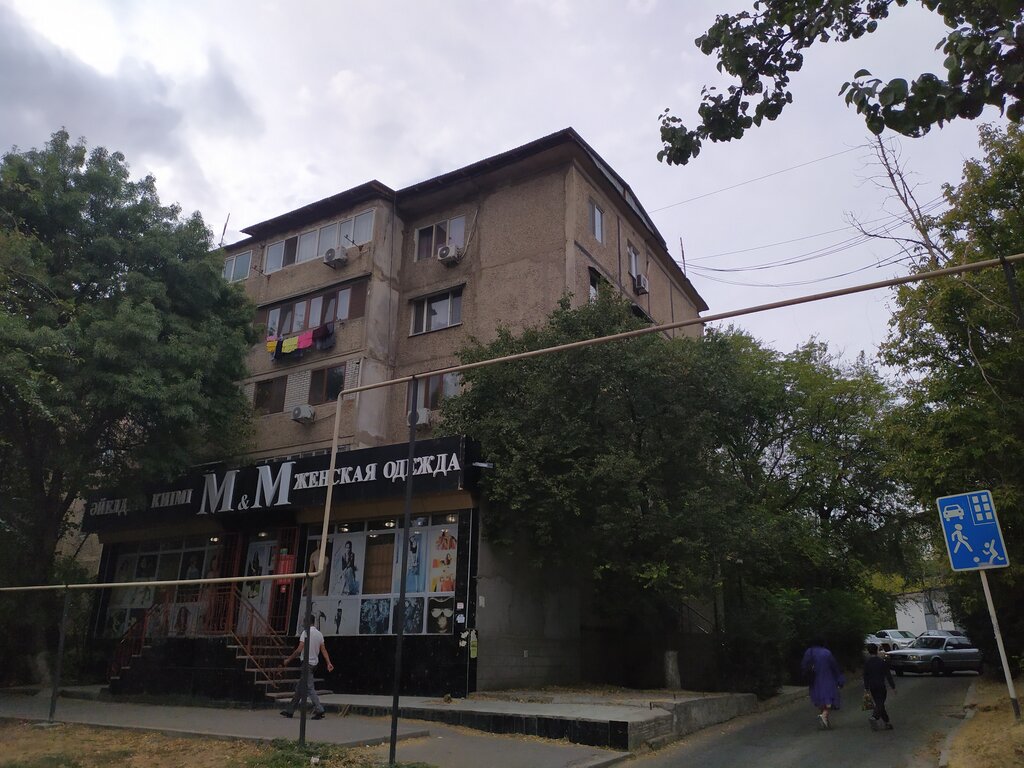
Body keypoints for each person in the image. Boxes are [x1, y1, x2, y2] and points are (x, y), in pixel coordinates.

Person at [280, 616, 334, 720]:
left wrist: (288, 659)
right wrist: (328, 662)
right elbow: (323, 650)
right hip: (314, 664)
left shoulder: (305, 633)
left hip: (306, 663)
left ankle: (319, 709)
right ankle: (290, 710)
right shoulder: (319, 634)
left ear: (307, 622)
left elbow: (299, 649)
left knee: (309, 687)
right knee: (300, 688)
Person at [801, 639, 845, 729]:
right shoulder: (826, 653)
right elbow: (834, 666)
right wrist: (840, 679)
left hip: (813, 680)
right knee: (830, 700)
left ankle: (825, 721)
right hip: (827, 678)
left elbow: (804, 665)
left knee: (820, 701)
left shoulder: (809, 652)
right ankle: (824, 716)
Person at [863, 643, 896, 730]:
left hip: (872, 686)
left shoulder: (867, 662)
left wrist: (866, 687)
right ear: (877, 650)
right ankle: (874, 716)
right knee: (880, 703)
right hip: (880, 685)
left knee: (879, 704)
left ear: (868, 651)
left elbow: (865, 676)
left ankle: (887, 722)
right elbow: (888, 675)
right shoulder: (881, 661)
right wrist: (893, 686)